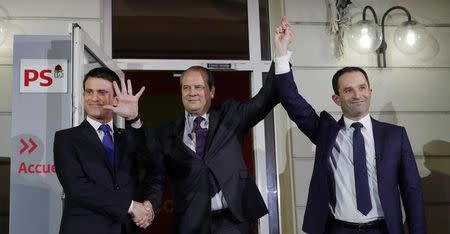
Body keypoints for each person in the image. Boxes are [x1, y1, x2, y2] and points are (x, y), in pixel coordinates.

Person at [274, 19, 426, 233]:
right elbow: (291, 100)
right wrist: (281, 52)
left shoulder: (395, 136)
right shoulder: (325, 132)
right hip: (338, 229)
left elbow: (412, 192)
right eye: (348, 90)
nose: (357, 95)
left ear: (370, 91)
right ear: (337, 99)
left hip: (384, 229)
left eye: (362, 87)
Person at [153, 18, 291, 234]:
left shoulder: (230, 115)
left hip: (232, 222)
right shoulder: (168, 132)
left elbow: (267, 98)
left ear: (212, 92)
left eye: (198, 87)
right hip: (190, 224)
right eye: (186, 88)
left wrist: (281, 53)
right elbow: (153, 170)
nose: (192, 93)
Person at [53, 67, 165, 234]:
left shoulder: (129, 137)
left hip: (127, 228)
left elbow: (155, 168)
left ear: (115, 99)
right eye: (89, 92)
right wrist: (131, 206)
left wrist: (134, 119)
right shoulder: (66, 139)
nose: (94, 98)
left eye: (102, 92)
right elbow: (77, 188)